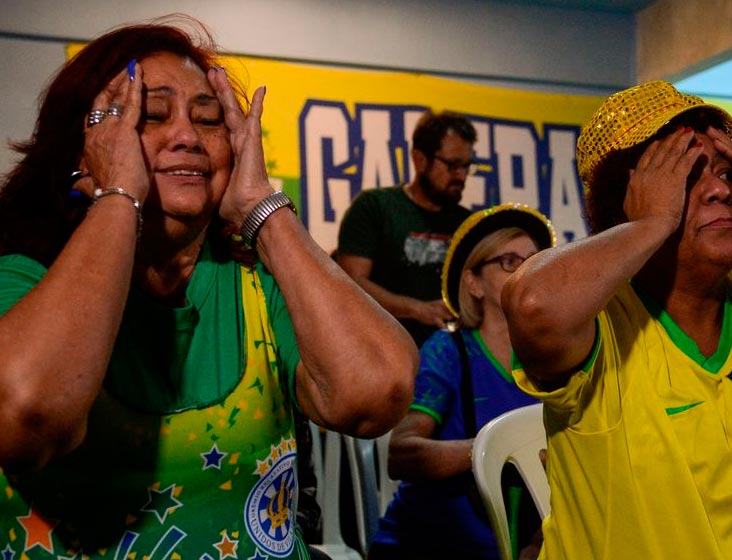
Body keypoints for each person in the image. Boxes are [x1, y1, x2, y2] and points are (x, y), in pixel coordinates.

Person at [0, 18, 418, 560]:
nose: (188, 137)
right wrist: (120, 192)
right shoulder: (21, 276)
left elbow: (375, 394)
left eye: (209, 119)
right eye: (148, 117)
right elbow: (25, 415)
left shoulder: (259, 285)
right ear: (85, 149)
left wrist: (260, 208)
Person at [502, 79, 732, 559]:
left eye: (730, 174)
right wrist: (651, 224)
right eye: (688, 177)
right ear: (628, 202)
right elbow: (533, 305)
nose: (720, 190)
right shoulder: (604, 327)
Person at [369, 203, 555, 560]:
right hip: (429, 547)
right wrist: (495, 451)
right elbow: (402, 454)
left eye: (534, 260)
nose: (526, 271)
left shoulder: (554, 358)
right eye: (509, 261)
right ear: (473, 284)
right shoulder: (449, 351)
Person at [336, 110, 477, 347]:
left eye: (466, 166)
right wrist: (417, 310)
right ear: (419, 159)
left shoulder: (469, 224)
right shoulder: (375, 207)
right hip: (380, 351)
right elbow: (350, 282)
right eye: (452, 165)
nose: (461, 176)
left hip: (449, 359)